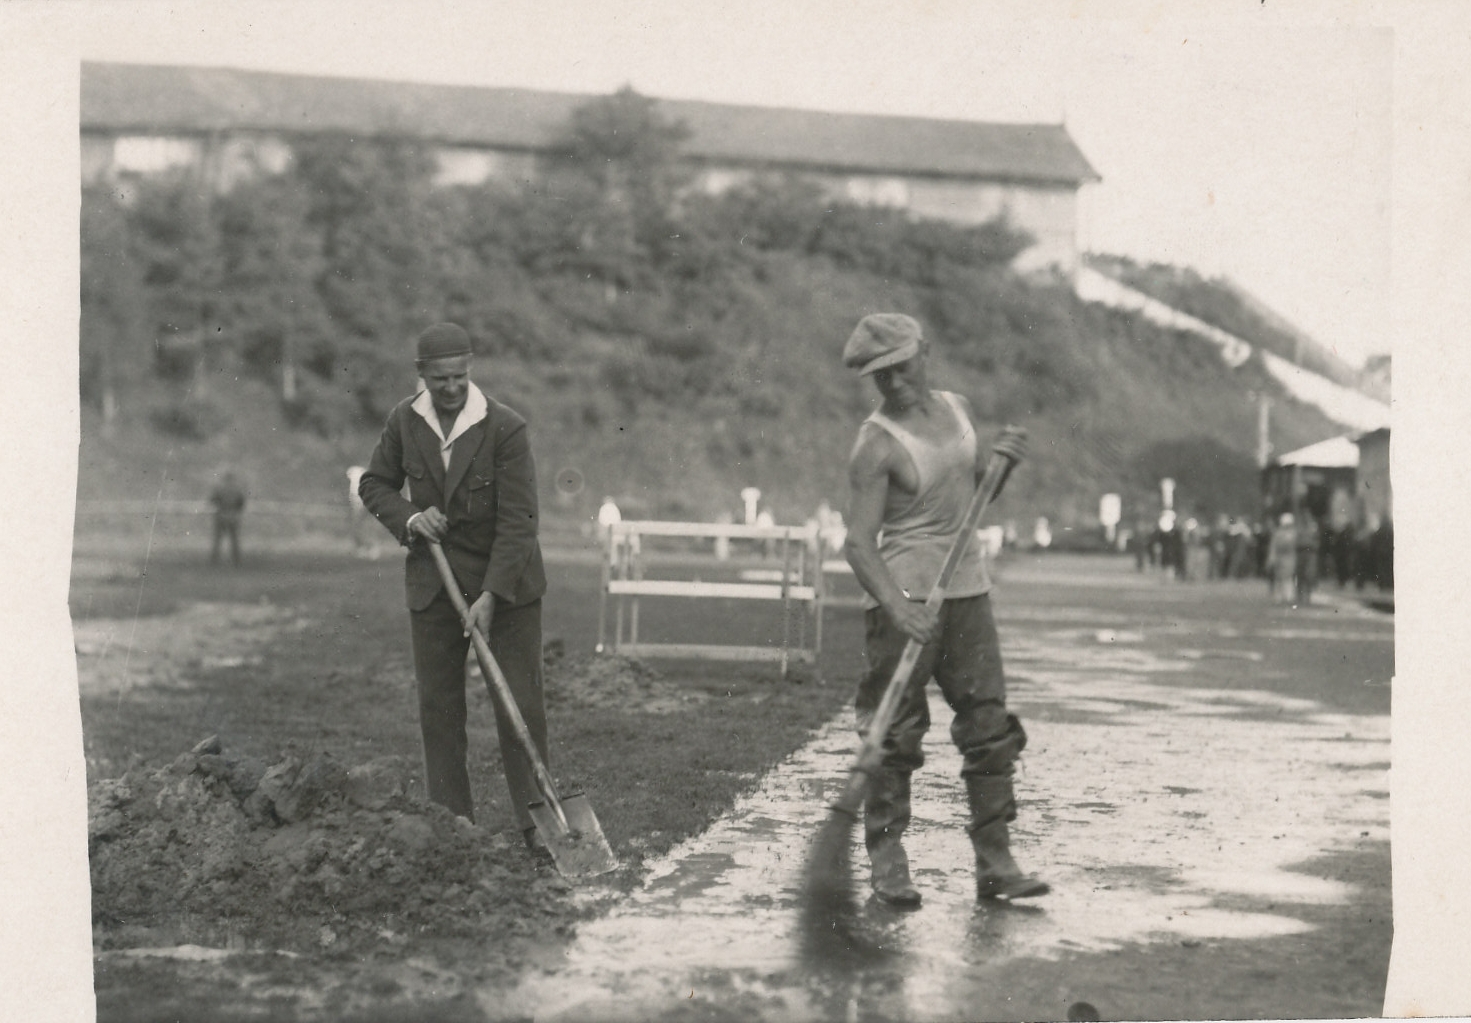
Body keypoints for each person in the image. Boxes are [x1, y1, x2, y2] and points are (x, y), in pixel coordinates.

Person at [841, 313, 1046, 907]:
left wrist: (1000, 466)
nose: (895, 384)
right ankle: (888, 860)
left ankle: (996, 861)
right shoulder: (875, 444)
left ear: (924, 353)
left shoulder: (957, 409)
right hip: (903, 604)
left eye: (902, 368)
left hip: (968, 596)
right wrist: (897, 609)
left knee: (988, 727)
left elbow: (975, 495)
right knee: (895, 736)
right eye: (881, 377)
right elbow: (858, 542)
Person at [358, 322, 552, 858]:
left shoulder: (505, 428)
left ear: (471, 369)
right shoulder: (404, 420)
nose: (451, 388)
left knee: (520, 706)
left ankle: (539, 831)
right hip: (435, 583)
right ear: (421, 375)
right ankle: (452, 828)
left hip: (507, 585)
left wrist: (491, 595)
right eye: (440, 378)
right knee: (438, 710)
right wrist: (412, 516)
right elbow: (373, 484)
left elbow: (520, 522)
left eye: (460, 376)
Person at [209, 470, 247, 567]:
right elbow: (241, 503)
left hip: (221, 515)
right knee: (234, 539)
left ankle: (214, 560)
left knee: (218, 539)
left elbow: (213, 500)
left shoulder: (219, 488)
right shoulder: (237, 489)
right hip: (233, 516)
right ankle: (236, 560)